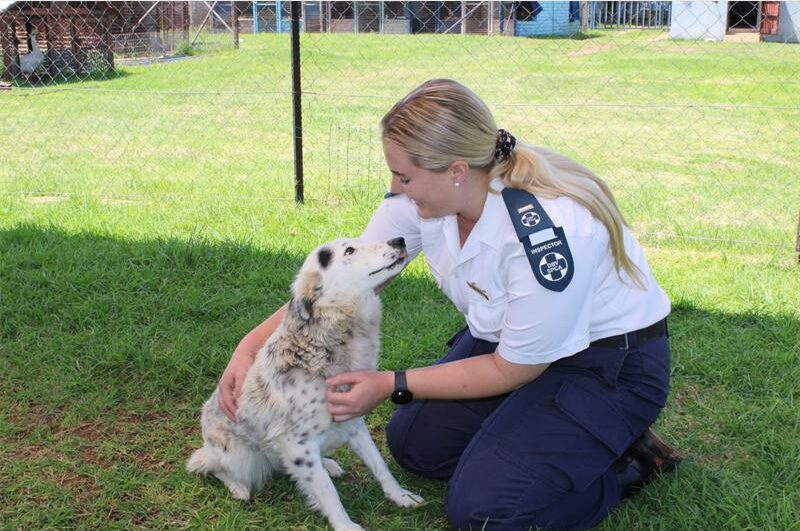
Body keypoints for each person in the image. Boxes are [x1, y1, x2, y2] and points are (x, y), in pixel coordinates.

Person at [218, 79, 683, 531]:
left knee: (485, 514)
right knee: (415, 445)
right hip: (514, 344)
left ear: (456, 170)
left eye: (404, 175)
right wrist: (248, 348)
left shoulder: (544, 232)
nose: (396, 187)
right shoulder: (428, 198)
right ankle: (538, 431)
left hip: (604, 365)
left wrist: (390, 383)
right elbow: (340, 285)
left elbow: (512, 371)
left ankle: (627, 461)